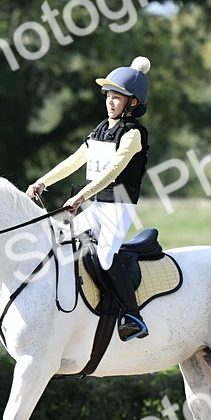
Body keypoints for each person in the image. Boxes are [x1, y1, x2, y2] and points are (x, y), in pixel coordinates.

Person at [27, 56, 152, 340]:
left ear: (132, 103)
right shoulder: (100, 130)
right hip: (98, 204)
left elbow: (112, 172)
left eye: (117, 97)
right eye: (108, 95)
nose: (110, 101)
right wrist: (42, 181)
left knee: (105, 257)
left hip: (119, 205)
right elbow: (75, 161)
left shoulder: (133, 134)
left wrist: (80, 196)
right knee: (59, 240)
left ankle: (133, 315)